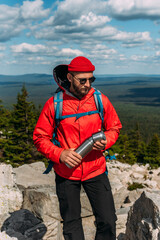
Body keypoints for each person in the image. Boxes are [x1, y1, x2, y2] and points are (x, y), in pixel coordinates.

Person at [33, 56, 122, 240]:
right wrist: (60, 154)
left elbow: (115, 128)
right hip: (66, 173)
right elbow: (40, 137)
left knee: (108, 220)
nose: (87, 84)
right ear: (70, 77)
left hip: (96, 169)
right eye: (83, 80)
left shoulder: (99, 100)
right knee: (72, 224)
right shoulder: (55, 104)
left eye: (91, 79)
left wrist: (107, 141)